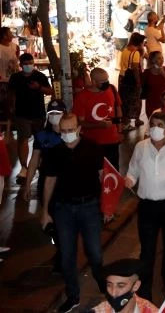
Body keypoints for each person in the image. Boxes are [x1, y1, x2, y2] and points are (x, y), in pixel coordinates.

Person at [40, 113, 105, 313]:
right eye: (64, 130)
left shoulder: (93, 148)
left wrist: (105, 207)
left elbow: (103, 177)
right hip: (63, 209)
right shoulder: (54, 152)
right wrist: (45, 211)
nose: (67, 134)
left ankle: (104, 283)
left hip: (89, 207)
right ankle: (73, 295)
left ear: (79, 128)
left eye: (71, 130)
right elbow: (49, 180)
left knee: (94, 251)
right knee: (67, 255)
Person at [124, 112, 165, 300]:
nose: (155, 128)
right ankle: (145, 291)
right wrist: (129, 179)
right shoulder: (140, 147)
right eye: (152, 124)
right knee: (147, 249)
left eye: (160, 124)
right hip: (147, 206)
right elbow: (133, 170)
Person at [9, 52, 53, 184]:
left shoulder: (40, 76)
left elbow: (50, 91)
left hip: (38, 113)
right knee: (23, 139)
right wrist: (11, 109)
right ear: (21, 65)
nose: (28, 66)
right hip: (22, 114)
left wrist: (39, 87)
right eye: (26, 64)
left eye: (30, 63)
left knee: (39, 140)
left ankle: (38, 162)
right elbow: (12, 94)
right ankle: (24, 167)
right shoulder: (15, 78)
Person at [73, 68, 123, 171]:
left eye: (107, 80)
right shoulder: (82, 97)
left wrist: (120, 130)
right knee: (93, 171)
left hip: (112, 140)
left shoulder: (112, 89)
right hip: (92, 142)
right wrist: (99, 125)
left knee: (112, 171)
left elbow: (118, 108)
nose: (106, 83)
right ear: (94, 81)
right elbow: (80, 123)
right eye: (103, 82)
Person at [90, 258, 158, 313]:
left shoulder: (152, 311)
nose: (113, 293)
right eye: (109, 285)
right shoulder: (98, 311)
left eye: (120, 286)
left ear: (136, 286)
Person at [118, 32, 145, 133]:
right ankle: (127, 123)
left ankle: (126, 122)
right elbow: (135, 69)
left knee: (123, 100)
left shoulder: (125, 50)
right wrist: (138, 82)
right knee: (133, 100)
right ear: (139, 42)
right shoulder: (135, 53)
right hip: (131, 80)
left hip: (122, 77)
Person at [141, 51, 165, 118]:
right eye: (159, 58)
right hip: (151, 104)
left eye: (162, 58)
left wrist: (164, 74)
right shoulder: (147, 73)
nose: (162, 60)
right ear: (153, 60)